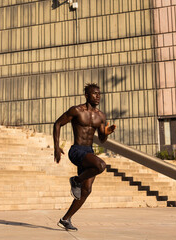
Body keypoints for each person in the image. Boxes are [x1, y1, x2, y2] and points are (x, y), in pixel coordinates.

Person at [53, 83, 116, 231]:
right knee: (101, 166)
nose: (98, 96)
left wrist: (107, 132)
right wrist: (56, 146)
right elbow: (57, 124)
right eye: (94, 93)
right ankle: (75, 180)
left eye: (99, 94)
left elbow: (101, 139)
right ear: (87, 95)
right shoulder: (76, 111)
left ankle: (65, 219)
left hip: (88, 151)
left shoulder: (101, 116)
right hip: (77, 150)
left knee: (86, 190)